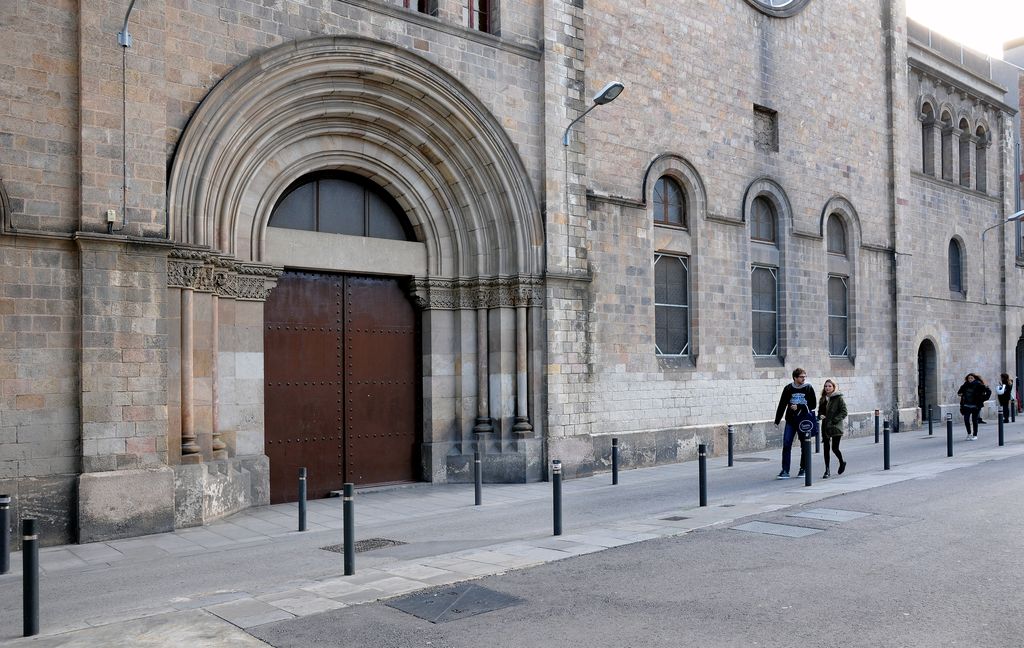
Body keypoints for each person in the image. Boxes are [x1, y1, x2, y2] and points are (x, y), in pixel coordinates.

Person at [773, 368, 816, 479]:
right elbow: (782, 404)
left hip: (803, 420)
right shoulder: (788, 388)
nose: (804, 378)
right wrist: (777, 420)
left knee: (804, 444)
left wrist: (800, 406)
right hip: (791, 420)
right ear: (795, 378)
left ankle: (803, 469)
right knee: (787, 443)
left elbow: (813, 404)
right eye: (801, 377)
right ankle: (785, 470)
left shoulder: (808, 388)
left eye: (805, 376)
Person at [817, 379, 848, 479]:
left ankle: (842, 462)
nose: (827, 388)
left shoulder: (838, 398)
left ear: (833, 387)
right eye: (826, 386)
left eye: (829, 386)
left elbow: (844, 412)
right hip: (825, 426)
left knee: (835, 448)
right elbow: (819, 412)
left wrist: (835, 420)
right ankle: (827, 470)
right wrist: (820, 416)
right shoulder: (822, 399)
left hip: (835, 426)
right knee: (826, 448)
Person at [956, 373, 989, 440]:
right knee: (966, 419)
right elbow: (959, 392)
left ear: (974, 379)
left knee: (974, 420)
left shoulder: (979, 385)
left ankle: (975, 435)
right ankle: (969, 433)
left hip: (975, 406)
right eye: (969, 378)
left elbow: (988, 391)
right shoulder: (965, 385)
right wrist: (961, 395)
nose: (970, 379)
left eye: (971, 378)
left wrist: (983, 399)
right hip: (966, 405)